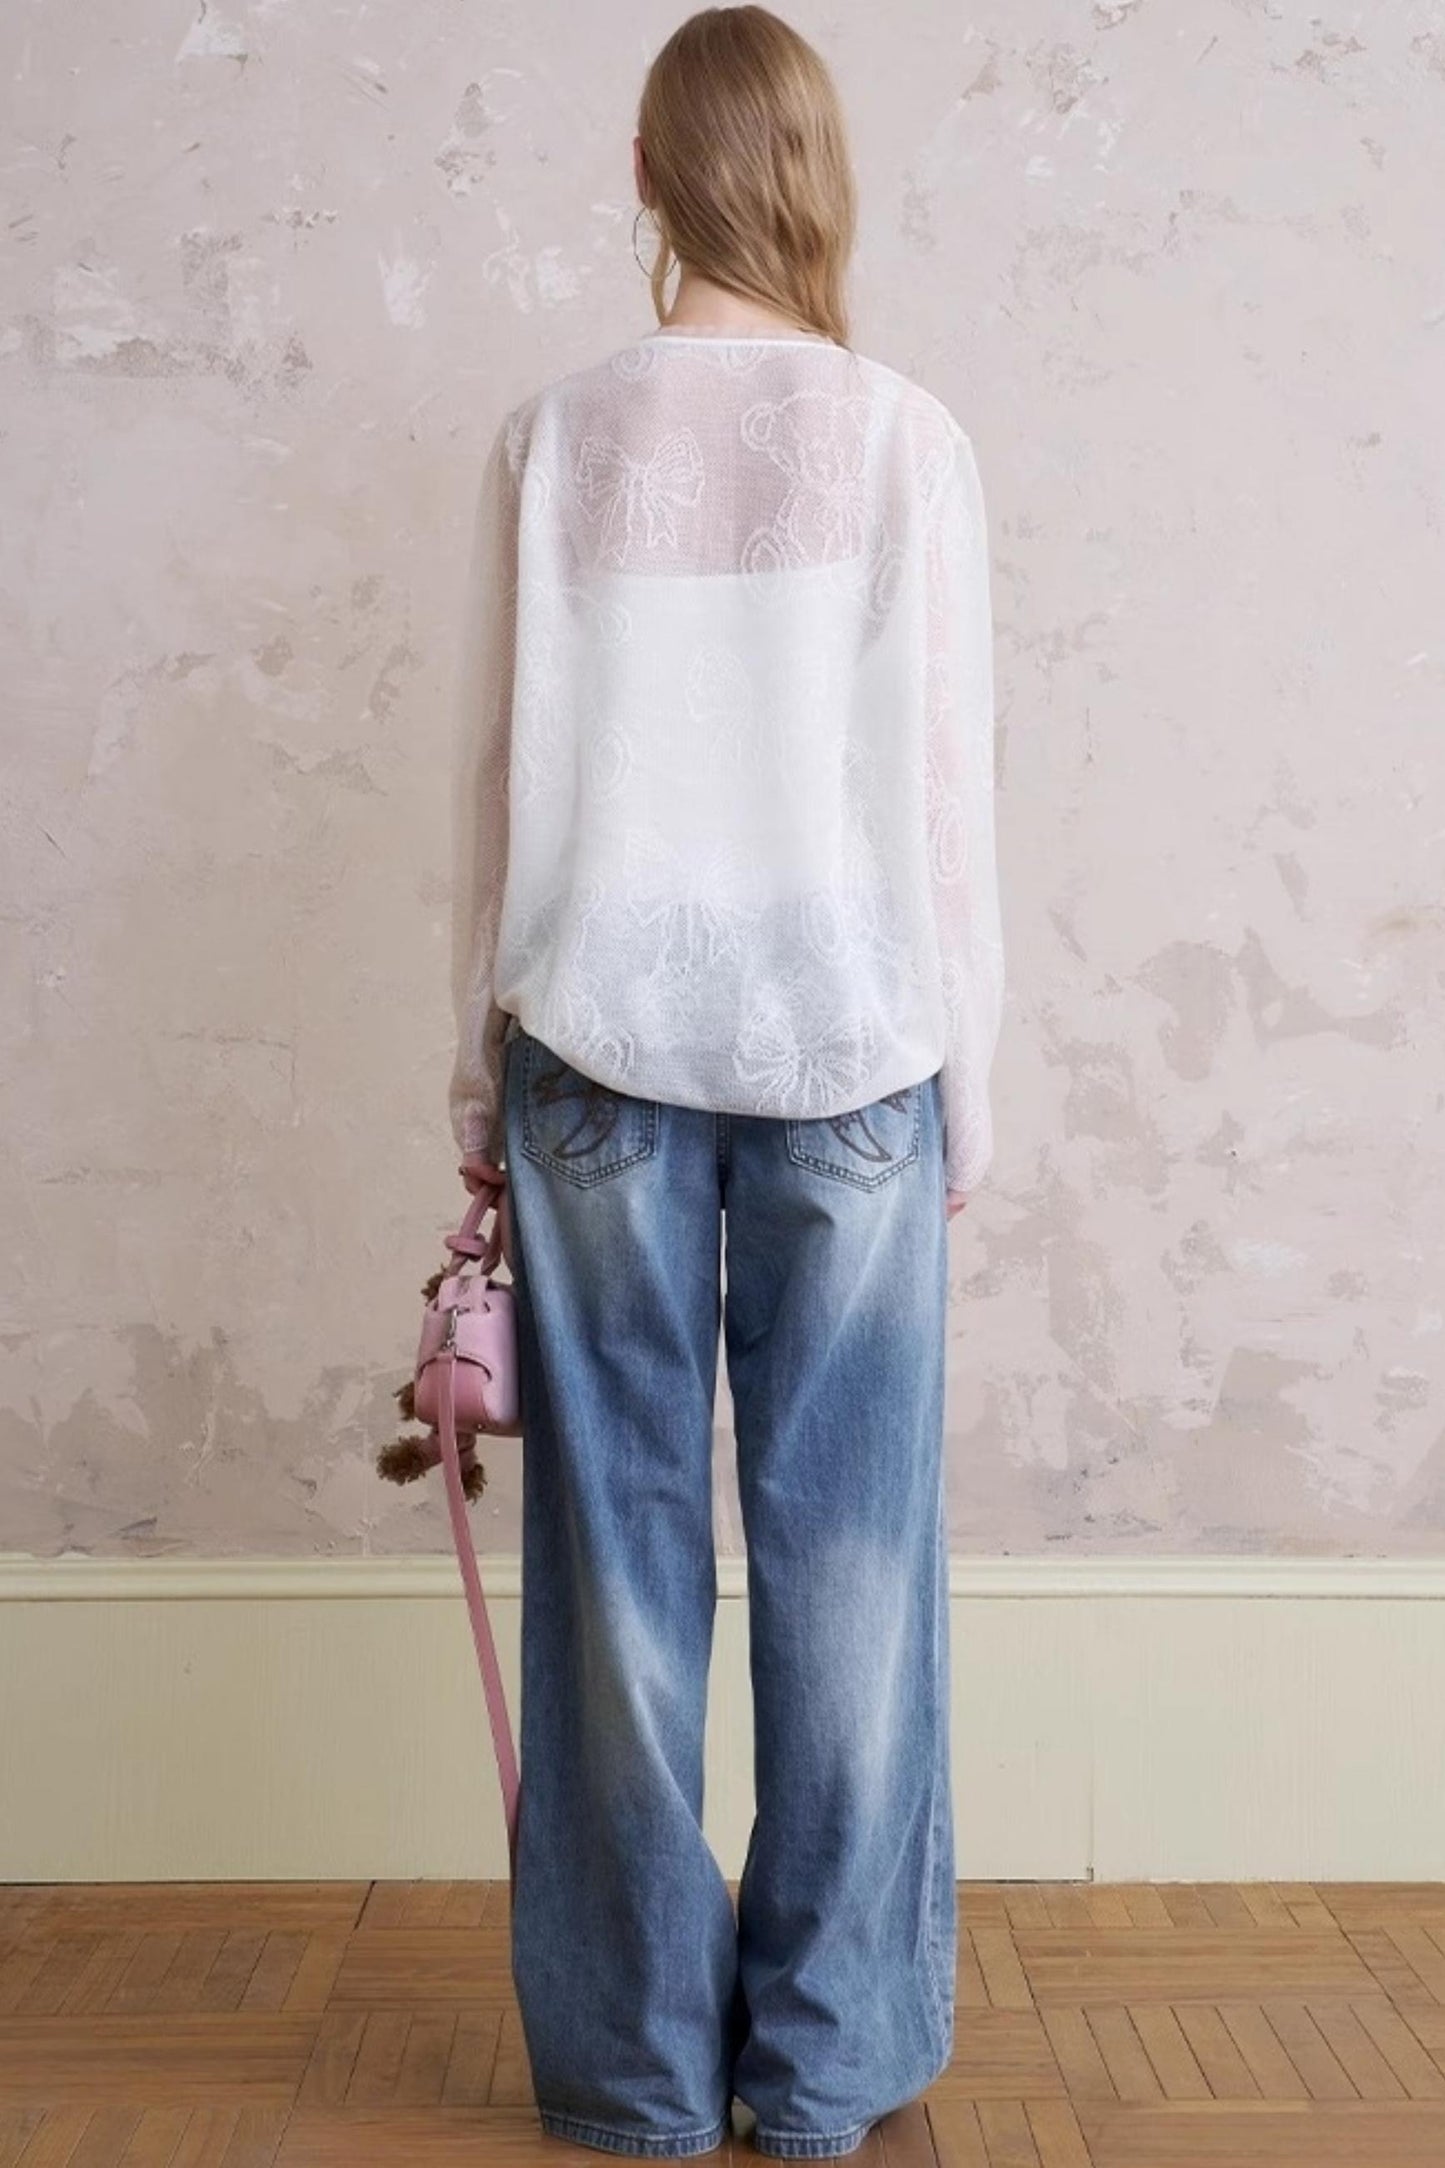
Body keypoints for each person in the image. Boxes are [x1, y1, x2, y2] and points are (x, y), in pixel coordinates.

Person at [446, 8, 1004, 2156]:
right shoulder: (903, 439)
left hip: (592, 1034)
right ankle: (829, 2063)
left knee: (619, 1563)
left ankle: (635, 2073)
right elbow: (943, 806)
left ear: (648, 176)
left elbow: (501, 791)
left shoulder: (553, 437)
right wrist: (970, 1094)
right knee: (853, 1566)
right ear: (811, 175)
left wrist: (471, 1088)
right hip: (854, 1037)